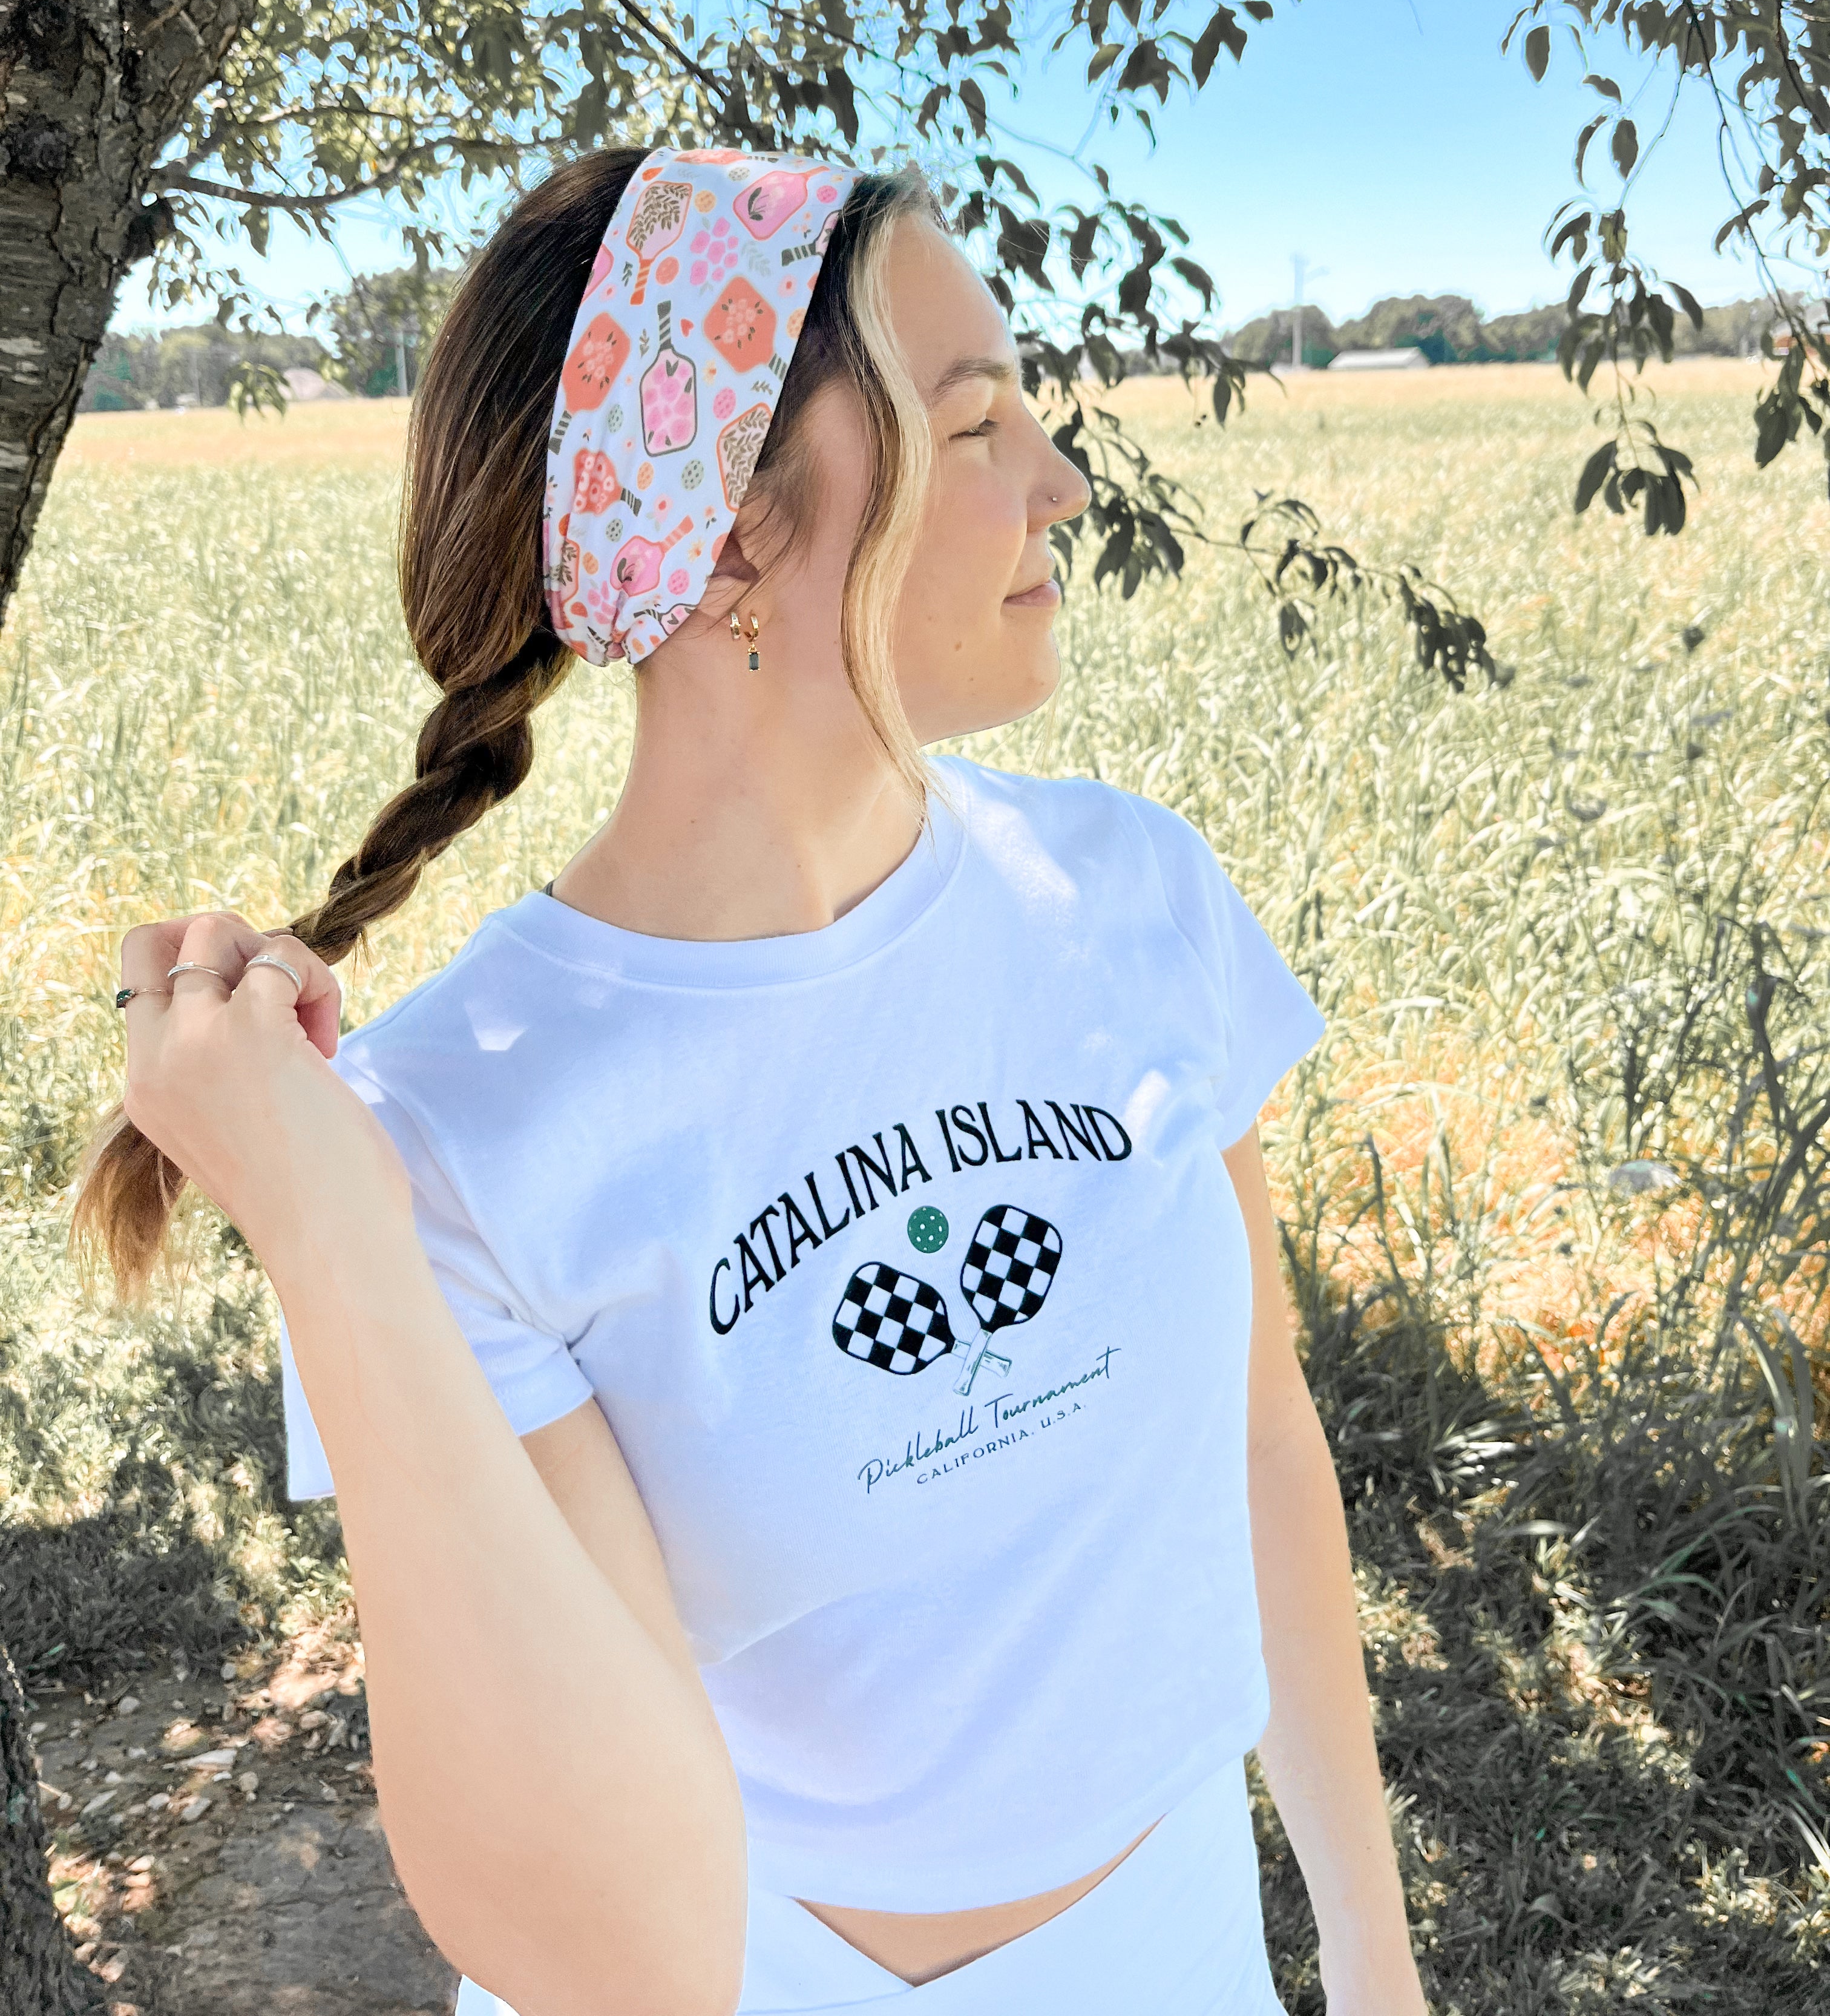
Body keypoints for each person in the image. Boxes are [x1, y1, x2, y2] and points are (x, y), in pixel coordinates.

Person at [78, 146, 1423, 2016]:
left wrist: (1369, 1952)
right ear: (721, 540)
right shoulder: (448, 1135)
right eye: (972, 430)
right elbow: (619, 1955)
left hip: (1184, 1944)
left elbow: (1262, 1443)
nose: (1060, 483)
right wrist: (327, 1235)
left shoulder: (1134, 897)